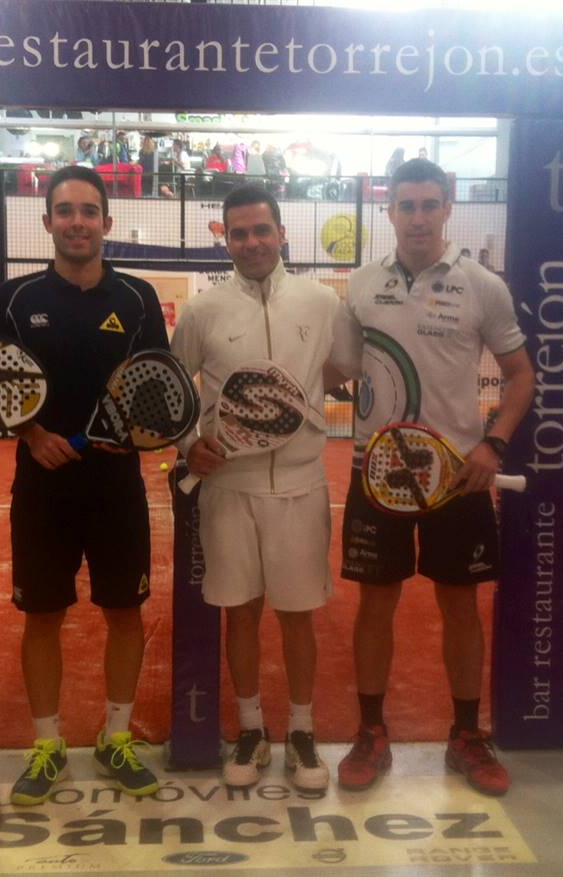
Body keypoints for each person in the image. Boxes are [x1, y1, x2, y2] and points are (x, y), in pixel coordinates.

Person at [334, 158, 534, 796]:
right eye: (406, 206)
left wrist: (494, 445)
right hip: (377, 472)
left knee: (460, 605)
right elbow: (339, 369)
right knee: (375, 604)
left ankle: (466, 736)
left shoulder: (483, 286)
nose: (417, 218)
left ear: (448, 208)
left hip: (458, 478)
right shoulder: (361, 284)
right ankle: (372, 732)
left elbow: (520, 376)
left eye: (429, 205)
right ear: (389, 211)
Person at [0, 166, 168, 805]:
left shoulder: (139, 298)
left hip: (117, 485)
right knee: (43, 617)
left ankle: (116, 738)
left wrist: (135, 435)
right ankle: (47, 746)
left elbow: (155, 382)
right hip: (42, 487)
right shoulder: (13, 300)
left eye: (89, 211)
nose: (77, 222)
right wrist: (33, 434)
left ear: (106, 222)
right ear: (47, 222)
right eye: (65, 211)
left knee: (125, 613)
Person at [171, 184, 353, 794]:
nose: (251, 242)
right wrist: (187, 445)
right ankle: (251, 729)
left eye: (261, 230)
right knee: (241, 615)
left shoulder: (321, 302)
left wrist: (304, 402)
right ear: (226, 239)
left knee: (298, 618)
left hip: (301, 486)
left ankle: (302, 731)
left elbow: (344, 367)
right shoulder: (202, 311)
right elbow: (177, 392)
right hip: (228, 489)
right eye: (239, 233)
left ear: (281, 233)